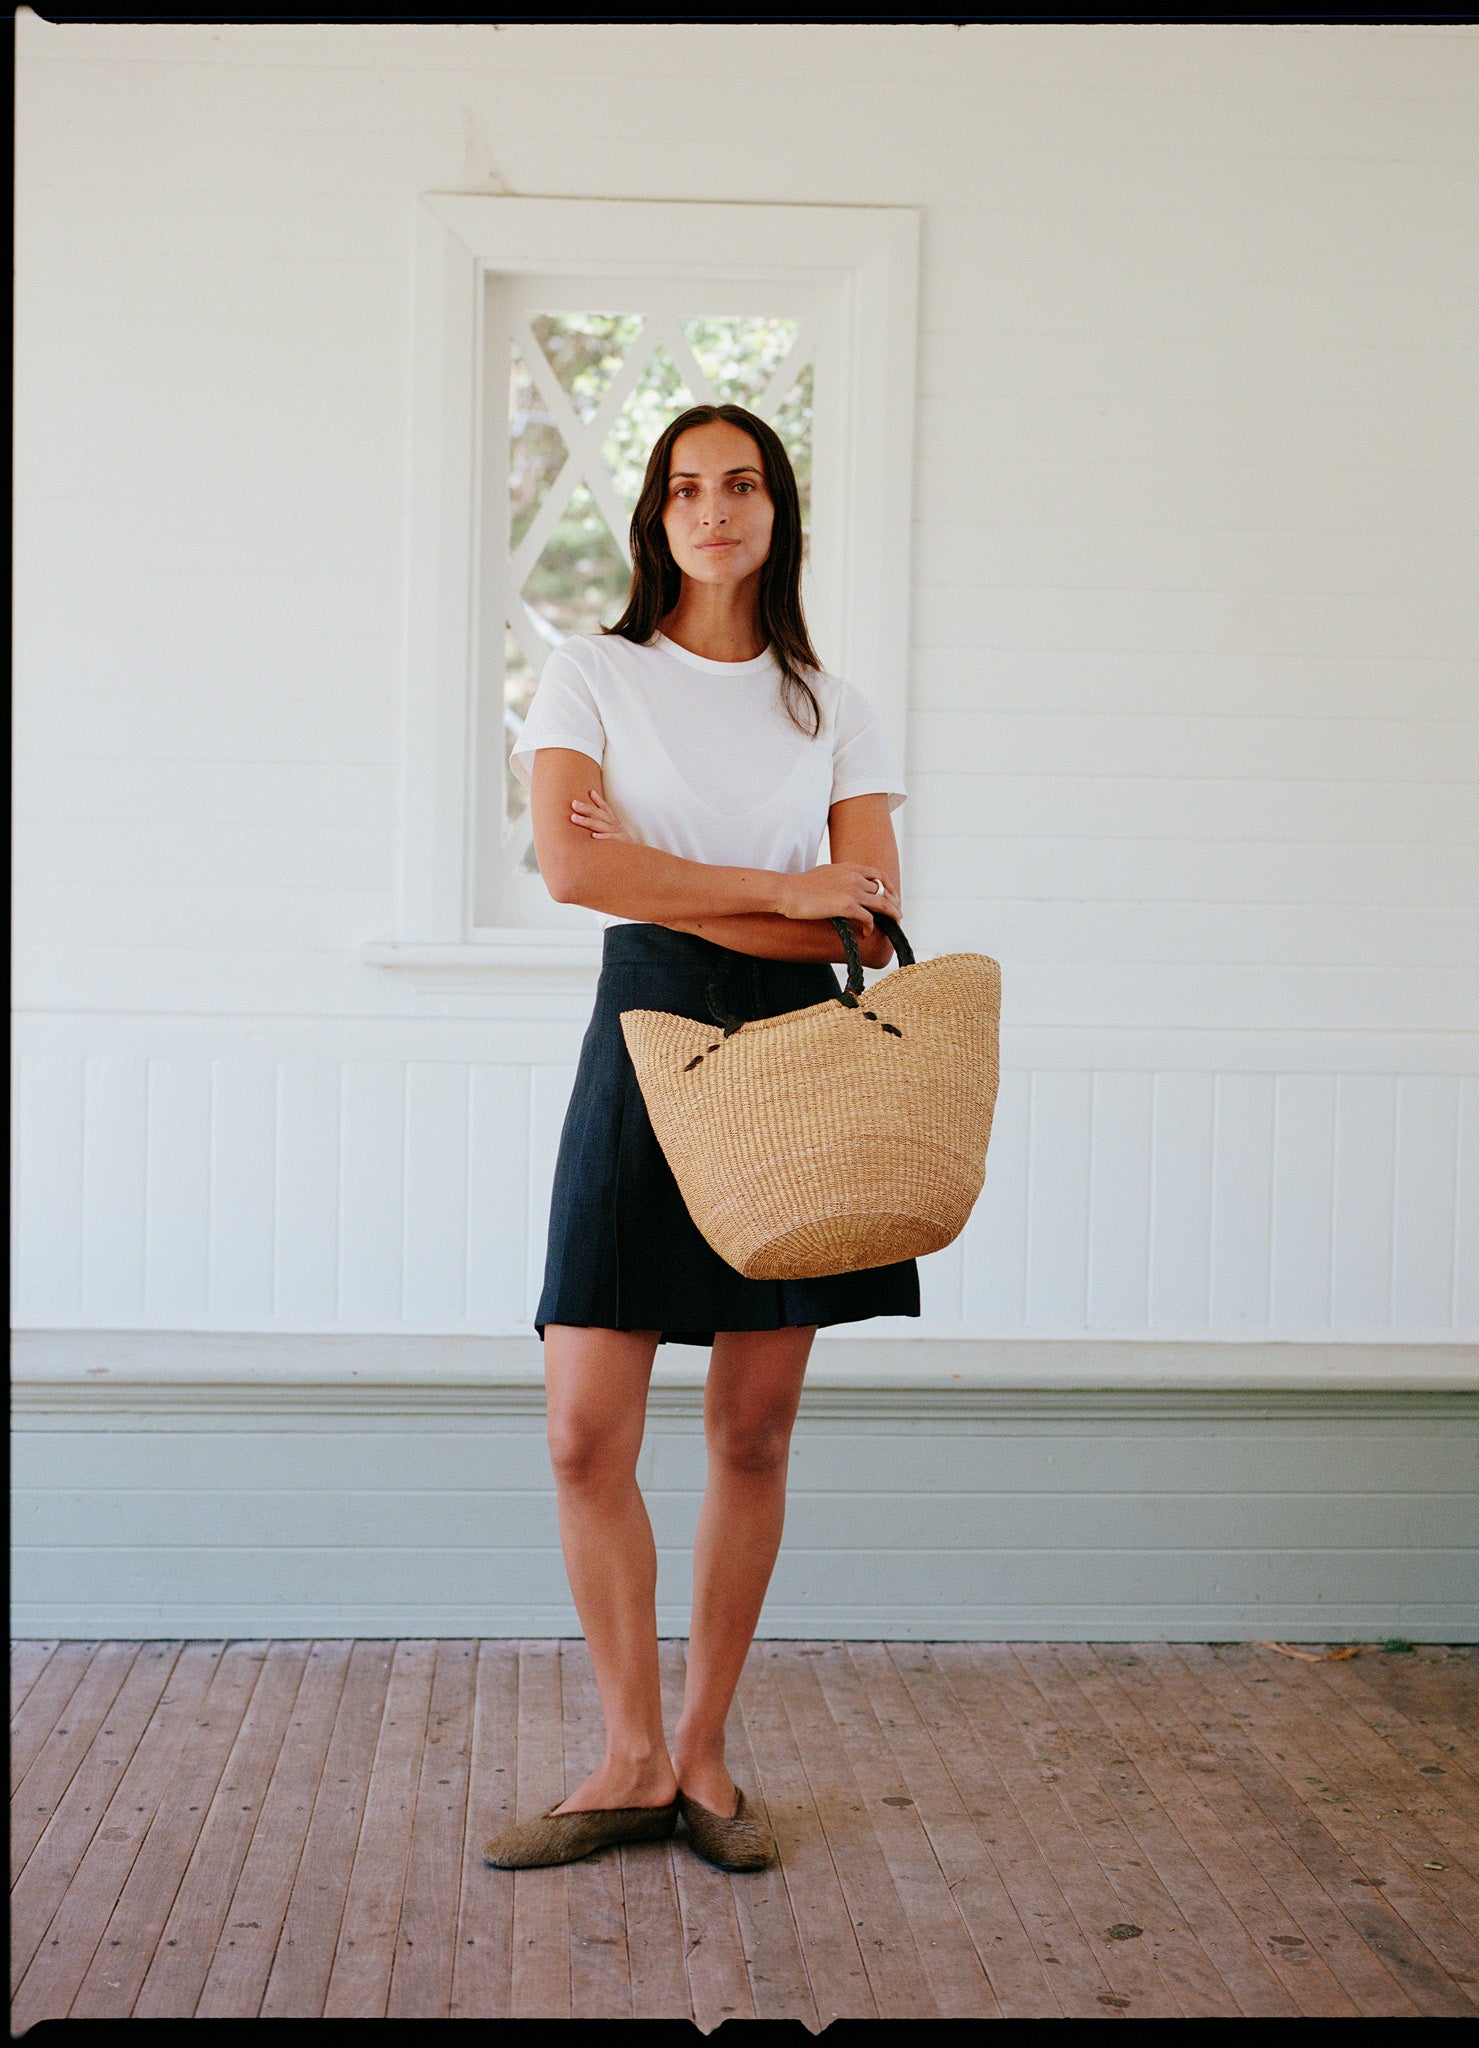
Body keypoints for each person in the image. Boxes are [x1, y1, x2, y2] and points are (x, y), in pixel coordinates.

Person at [482, 403, 917, 1876]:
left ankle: (709, 1755)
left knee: (751, 1427)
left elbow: (864, 910)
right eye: (685, 487)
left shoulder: (835, 704)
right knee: (583, 1428)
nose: (713, 509)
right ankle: (628, 1753)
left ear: (776, 511)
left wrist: (792, 905)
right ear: (655, 518)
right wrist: (780, 893)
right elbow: (570, 866)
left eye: (741, 485)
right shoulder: (593, 672)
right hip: (645, 1032)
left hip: (800, 1048)